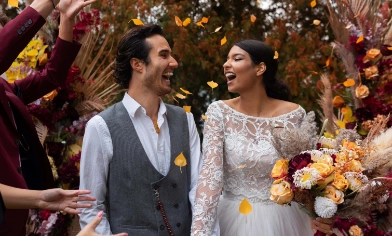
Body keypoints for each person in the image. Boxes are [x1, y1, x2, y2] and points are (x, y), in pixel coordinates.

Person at [190, 39, 333, 236]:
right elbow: (209, 179)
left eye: (236, 58)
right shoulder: (218, 113)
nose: (226, 65)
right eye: (226, 59)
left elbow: (307, 176)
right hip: (233, 219)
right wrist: (200, 231)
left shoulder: (295, 114)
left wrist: (321, 214)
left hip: (287, 221)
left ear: (260, 68)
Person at [79, 24, 210, 235]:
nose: (174, 62)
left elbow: (200, 191)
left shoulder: (185, 120)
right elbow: (89, 206)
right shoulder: (101, 127)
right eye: (164, 55)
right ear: (138, 64)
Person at [0, 0, 95, 234]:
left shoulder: (7, 89)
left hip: (14, 214)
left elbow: (52, 76)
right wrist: (47, 3)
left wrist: (66, 18)